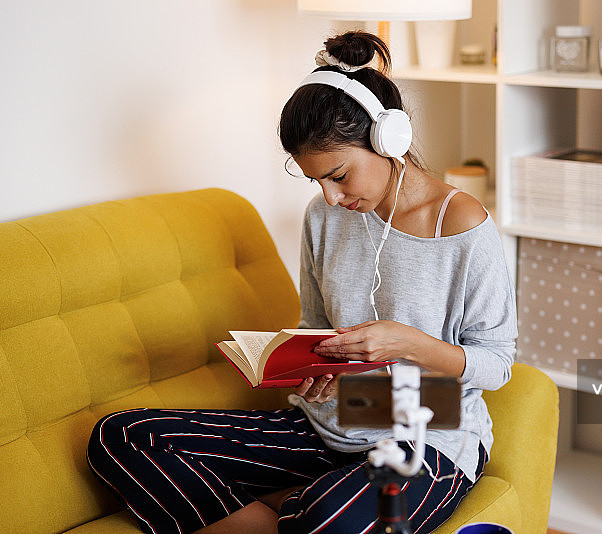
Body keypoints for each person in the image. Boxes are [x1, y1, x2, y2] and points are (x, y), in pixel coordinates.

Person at [86, 31, 517, 534]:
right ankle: (279, 517)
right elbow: (314, 326)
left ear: (387, 142)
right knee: (126, 436)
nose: (330, 197)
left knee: (322, 523)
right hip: (335, 418)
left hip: (431, 428)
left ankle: (304, 509)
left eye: (339, 175)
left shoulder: (461, 224)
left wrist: (410, 344)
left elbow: (496, 366)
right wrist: (315, 372)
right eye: (316, 181)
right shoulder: (323, 218)